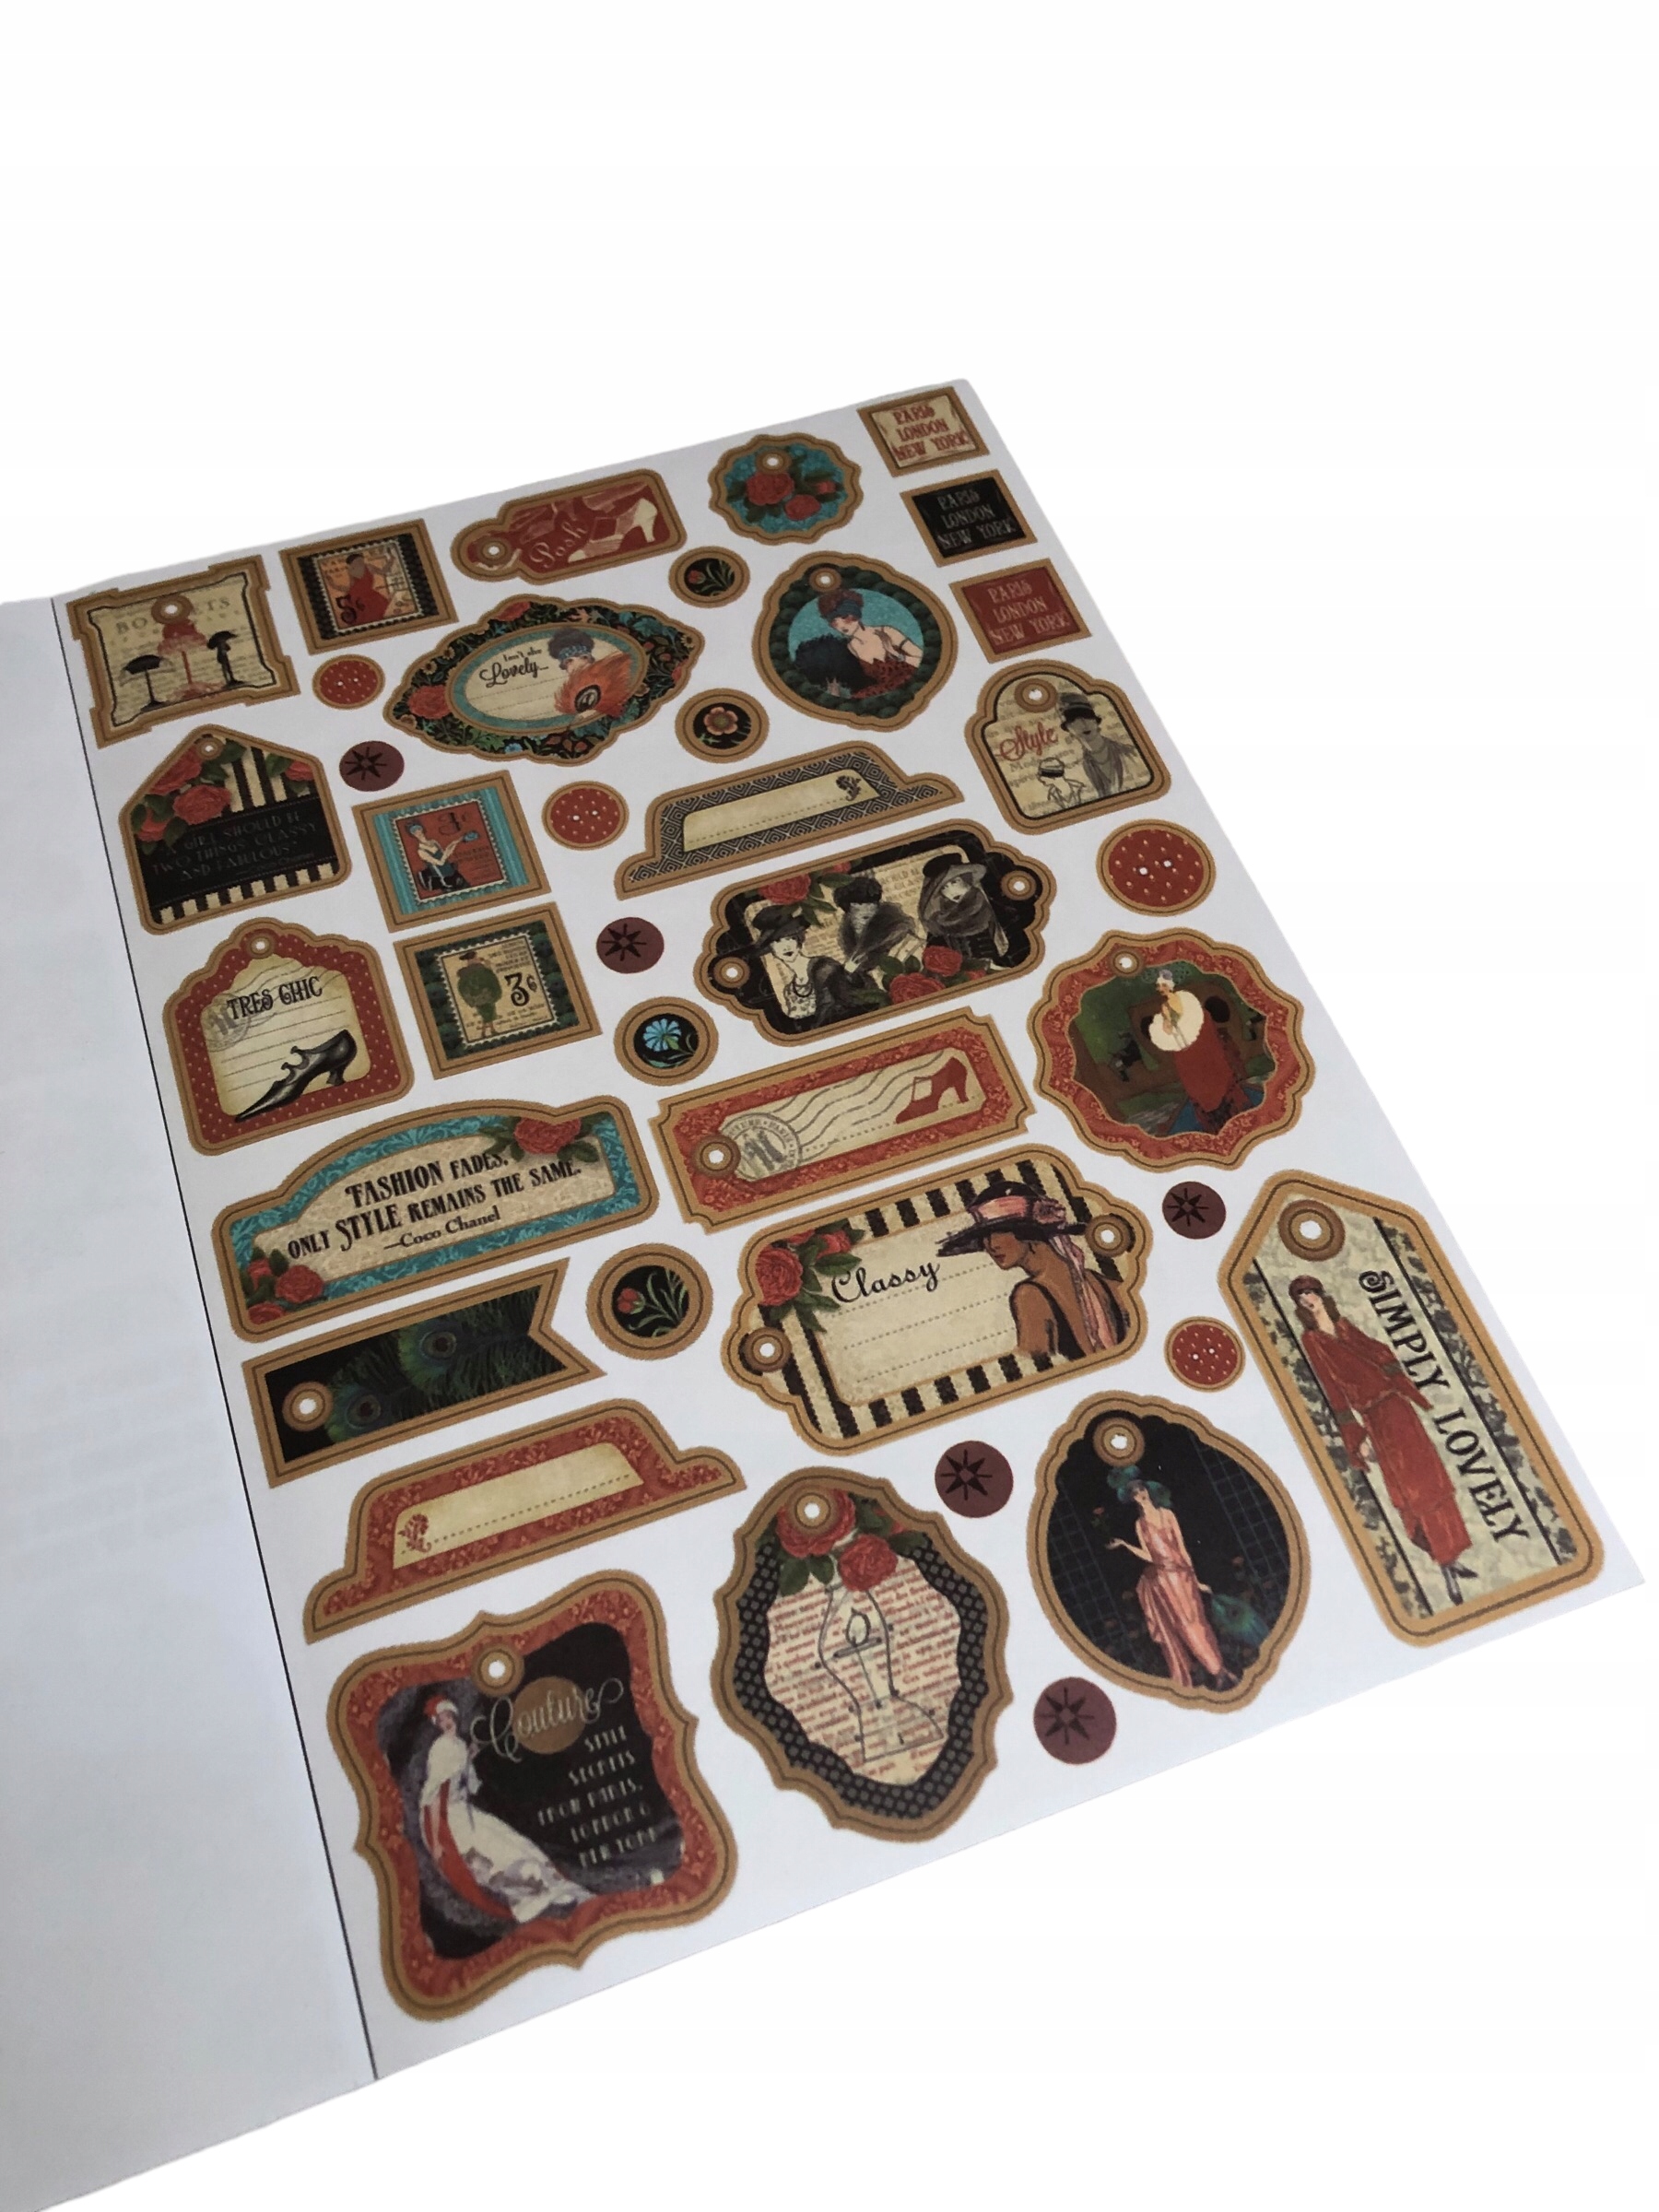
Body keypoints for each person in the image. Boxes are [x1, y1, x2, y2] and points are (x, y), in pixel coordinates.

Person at [1288, 1275, 1477, 1606]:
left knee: (1432, 1479)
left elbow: (1378, 1352)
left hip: (1398, 1407)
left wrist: (1394, 1374)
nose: (1308, 1299)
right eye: (1301, 1297)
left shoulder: (1344, 1326)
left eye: (1310, 1293)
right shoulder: (1313, 1340)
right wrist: (1355, 1436)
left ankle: (1452, 1556)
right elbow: (1332, 1388)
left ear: (1320, 1294)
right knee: (1411, 1489)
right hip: (1375, 1418)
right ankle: (1442, 1561)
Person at [418, 1698, 591, 1923]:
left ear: (455, 1717)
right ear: (437, 1724)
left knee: (512, 1841)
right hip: (447, 1818)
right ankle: (532, 1893)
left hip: (465, 1811)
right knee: (491, 1856)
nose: (447, 1722)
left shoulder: (458, 1745)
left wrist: (470, 1757)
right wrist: (437, 1841)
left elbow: (466, 1784)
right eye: (441, 1720)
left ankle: (551, 1886)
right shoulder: (440, 1748)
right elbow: (434, 1797)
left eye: (449, 1716)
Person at [936, 1184, 1128, 1358]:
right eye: (984, 1238)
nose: (991, 1245)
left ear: (1027, 1233)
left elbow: (1033, 1365)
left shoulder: (1029, 1296)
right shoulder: (1108, 1285)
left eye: (998, 1232)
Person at [1102, 1466, 1239, 1689]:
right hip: (1165, 1580)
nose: (1140, 1494)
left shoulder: (1167, 1515)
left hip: (1183, 1576)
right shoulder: (1140, 1525)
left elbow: (1182, 1548)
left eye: (1141, 1489)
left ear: (1147, 1490)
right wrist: (1126, 1545)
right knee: (1184, 1625)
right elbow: (1149, 1555)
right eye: (1135, 1493)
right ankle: (1216, 1671)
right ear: (1133, 1499)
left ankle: (1220, 1668)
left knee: (1199, 1622)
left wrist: (1196, 1579)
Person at [1146, 969, 1254, 1130]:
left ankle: (1235, 1112)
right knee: (1196, 1082)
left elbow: (1201, 1021)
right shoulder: (1165, 1007)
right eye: (1158, 986)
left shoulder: (1187, 1001)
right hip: (1185, 1050)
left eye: (1163, 985)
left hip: (1202, 1044)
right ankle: (1215, 1121)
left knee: (1216, 1075)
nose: (1160, 989)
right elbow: (1167, 1029)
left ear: (1170, 985)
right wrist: (1169, 1026)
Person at [801, 588, 922, 698]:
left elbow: (921, 658)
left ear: (855, 614)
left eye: (844, 617)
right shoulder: (852, 647)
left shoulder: (886, 632)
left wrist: (897, 655)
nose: (841, 626)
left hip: (911, 681)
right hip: (886, 692)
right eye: (834, 622)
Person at [916, 855, 1011, 965]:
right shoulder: (939, 922)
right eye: (944, 888)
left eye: (954, 882)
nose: (952, 892)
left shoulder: (992, 904)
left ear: (966, 879)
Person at [832, 874, 922, 976]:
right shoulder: (851, 943)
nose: (865, 909)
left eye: (871, 903)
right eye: (857, 904)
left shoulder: (900, 937)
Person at [1060, 693, 1143, 799]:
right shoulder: (1078, 769)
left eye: (1087, 716)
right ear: (1068, 729)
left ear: (1095, 721)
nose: (1083, 723)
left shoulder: (1130, 753)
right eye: (1073, 719)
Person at [550, 632, 636, 720]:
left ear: (591, 660)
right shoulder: (569, 695)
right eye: (569, 661)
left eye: (583, 657)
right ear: (564, 667)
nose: (578, 664)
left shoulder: (612, 675)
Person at [404, 818, 470, 894]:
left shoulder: (434, 842)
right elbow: (440, 863)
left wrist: (455, 842)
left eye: (418, 829)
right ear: (413, 835)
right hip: (444, 878)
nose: (418, 832)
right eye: (414, 832)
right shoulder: (421, 851)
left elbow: (445, 854)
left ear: (422, 829)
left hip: (452, 872)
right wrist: (449, 849)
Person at [335, 549, 391, 630]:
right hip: (355, 598)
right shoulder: (351, 571)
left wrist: (391, 560)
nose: (359, 563)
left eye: (360, 560)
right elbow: (351, 586)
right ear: (352, 563)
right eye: (355, 562)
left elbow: (383, 571)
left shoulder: (368, 567)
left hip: (367, 596)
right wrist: (335, 586)